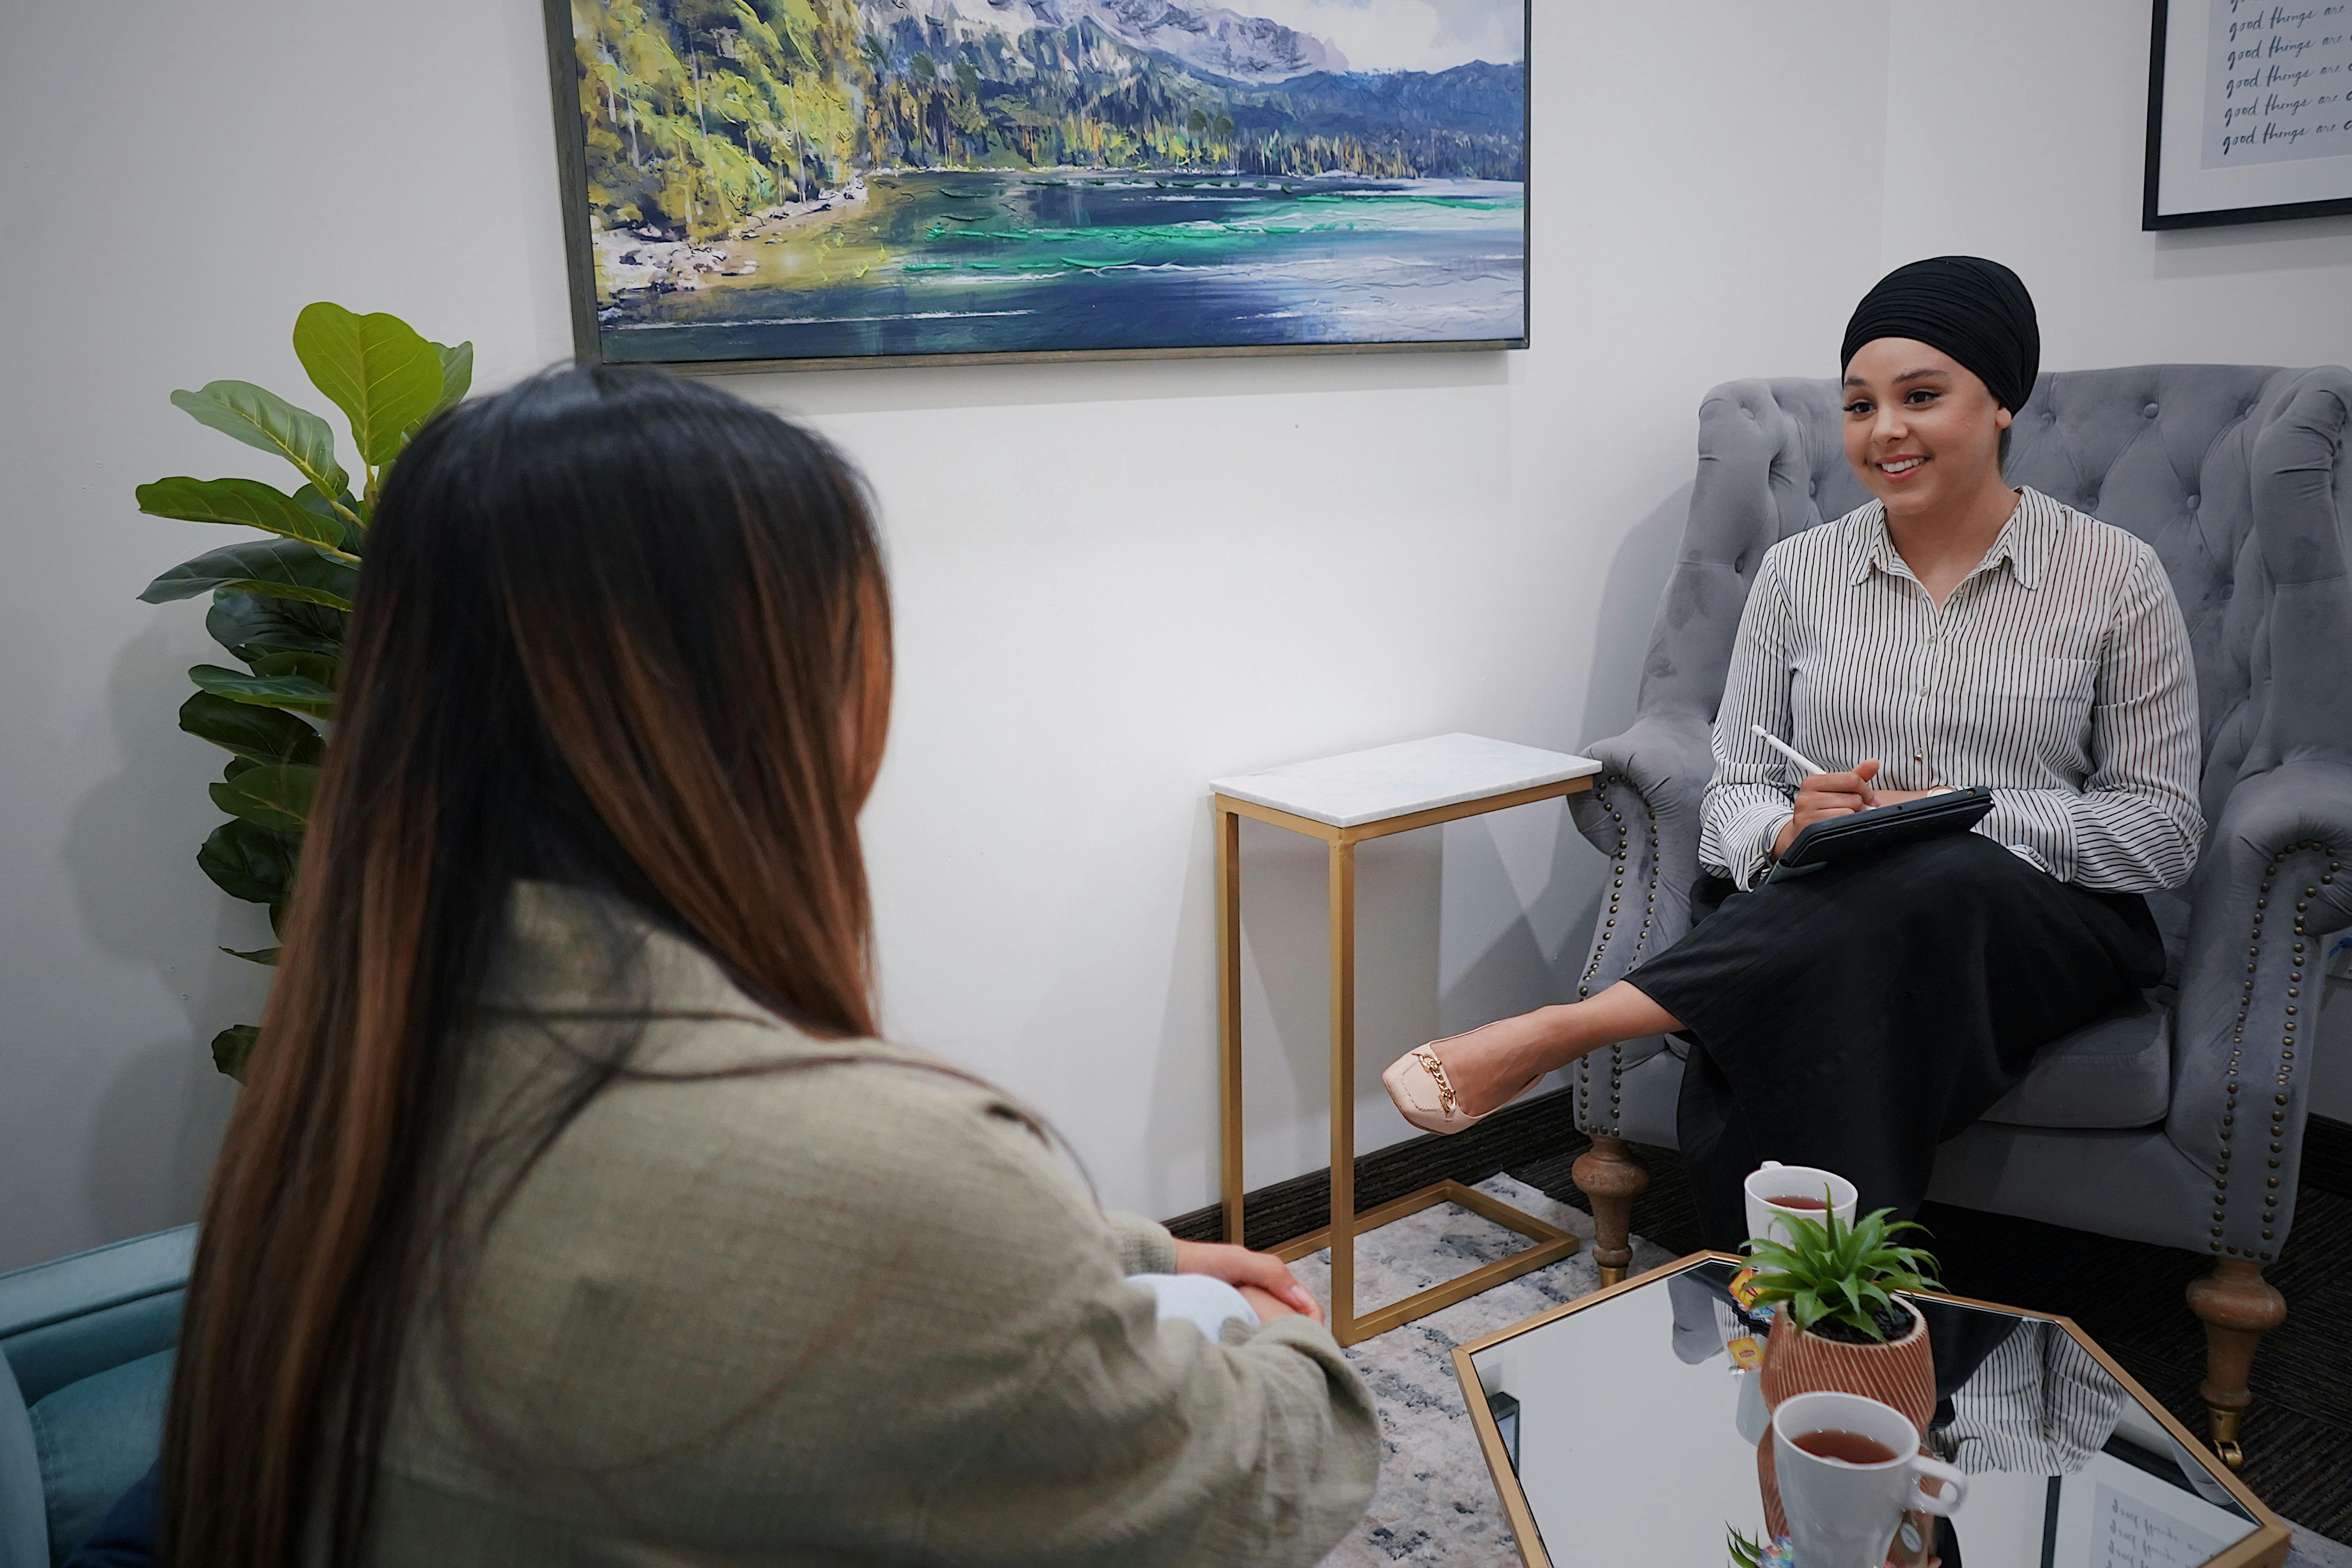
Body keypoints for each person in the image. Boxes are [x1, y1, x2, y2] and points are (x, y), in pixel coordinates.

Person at [159, 367, 1378, 1568]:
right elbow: (1268, 1479)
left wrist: (1131, 1257)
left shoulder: (338, 1093)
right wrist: (1283, 1344)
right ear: (782, 705)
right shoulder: (900, 1171)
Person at [1383, 256, 2202, 1247]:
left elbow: (2161, 835)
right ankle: (1835, 1315)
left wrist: (1966, 810)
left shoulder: (2117, 577)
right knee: (1848, 968)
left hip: (2038, 926)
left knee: (1939, 865)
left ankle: (1578, 1025)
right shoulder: (1799, 572)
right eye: (1860, 404)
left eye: (1922, 396)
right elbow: (1734, 791)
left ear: (2001, 405)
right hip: (1836, 912)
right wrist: (1785, 826)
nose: (1884, 430)